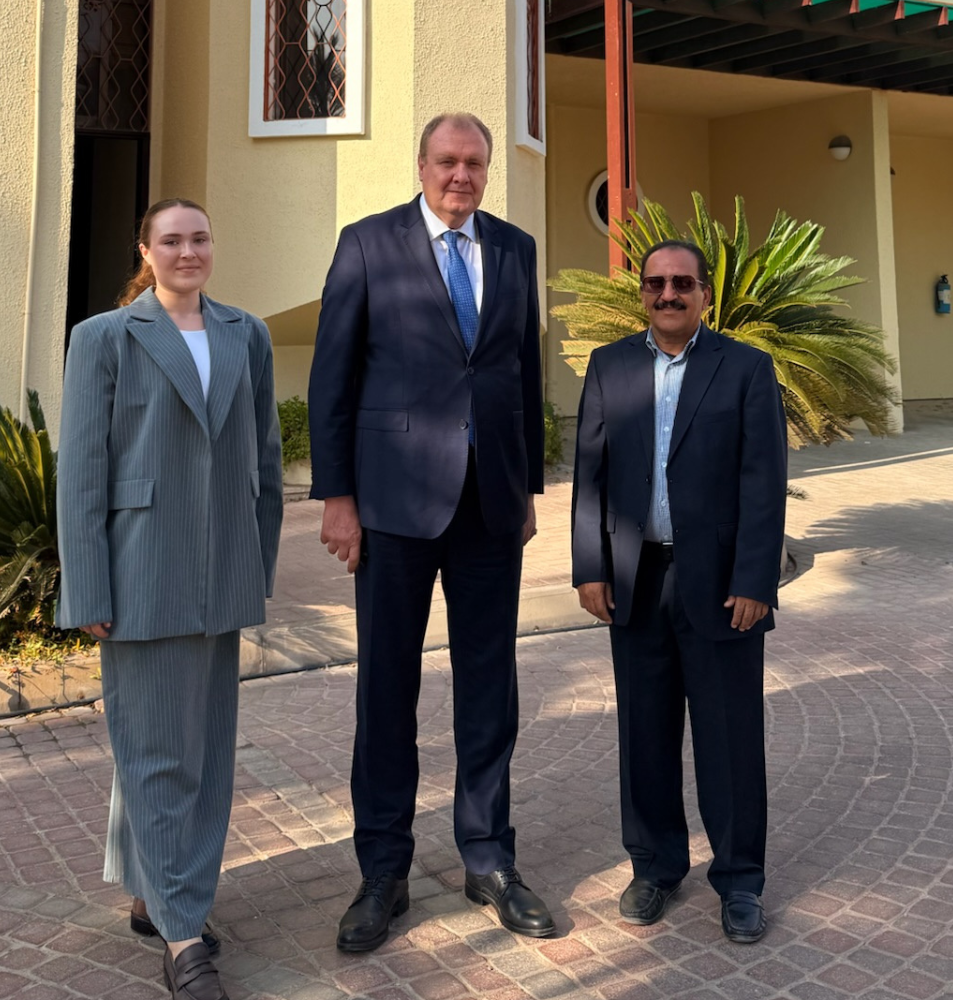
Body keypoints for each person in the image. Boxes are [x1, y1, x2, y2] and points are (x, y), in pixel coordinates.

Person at [307, 112, 550, 951]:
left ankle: (489, 859)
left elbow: (521, 373)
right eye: (448, 160)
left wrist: (527, 487)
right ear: (421, 165)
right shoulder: (367, 244)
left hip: (490, 508)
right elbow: (332, 378)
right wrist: (337, 497)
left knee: (490, 689)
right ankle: (383, 871)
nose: (461, 175)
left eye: (475, 162)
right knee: (387, 691)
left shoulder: (514, 249)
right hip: (393, 507)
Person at [57, 198, 284, 1000]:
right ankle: (184, 932)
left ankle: (151, 896)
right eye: (172, 240)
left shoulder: (247, 333)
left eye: (200, 238)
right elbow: (82, 470)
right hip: (140, 573)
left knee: (204, 751)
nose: (189, 251)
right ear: (145, 250)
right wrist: (88, 583)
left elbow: (264, 459)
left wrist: (256, 567)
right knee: (158, 754)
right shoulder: (104, 338)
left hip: (222, 571)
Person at [571, 240, 787, 943]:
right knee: (645, 734)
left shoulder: (746, 368)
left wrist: (755, 580)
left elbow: (763, 481)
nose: (668, 294)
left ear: (704, 295)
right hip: (634, 582)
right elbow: (591, 475)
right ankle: (655, 866)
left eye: (682, 284)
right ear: (642, 292)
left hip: (722, 586)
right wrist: (590, 567)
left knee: (730, 738)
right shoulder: (609, 366)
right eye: (656, 283)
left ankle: (741, 879)